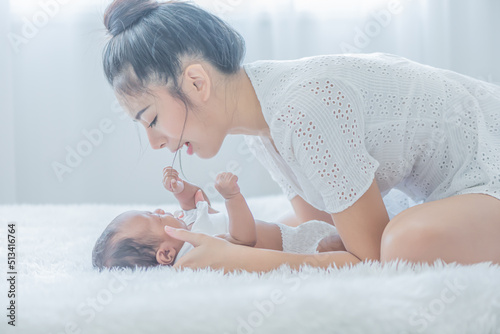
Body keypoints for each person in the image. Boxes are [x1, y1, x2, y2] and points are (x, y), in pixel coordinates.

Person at [100, 0, 500, 273]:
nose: (155, 143)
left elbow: (367, 261)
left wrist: (240, 261)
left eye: (150, 119)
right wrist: (227, 240)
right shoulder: (261, 122)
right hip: (463, 180)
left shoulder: (302, 109)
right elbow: (319, 231)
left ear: (196, 82)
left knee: (403, 246)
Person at [92, 167, 342, 270]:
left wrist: (181, 189)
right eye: (155, 219)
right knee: (339, 245)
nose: (159, 211)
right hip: (299, 246)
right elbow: (244, 240)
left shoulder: (185, 230)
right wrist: (233, 198)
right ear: (166, 254)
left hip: (290, 231)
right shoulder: (196, 251)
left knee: (327, 222)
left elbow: (200, 206)